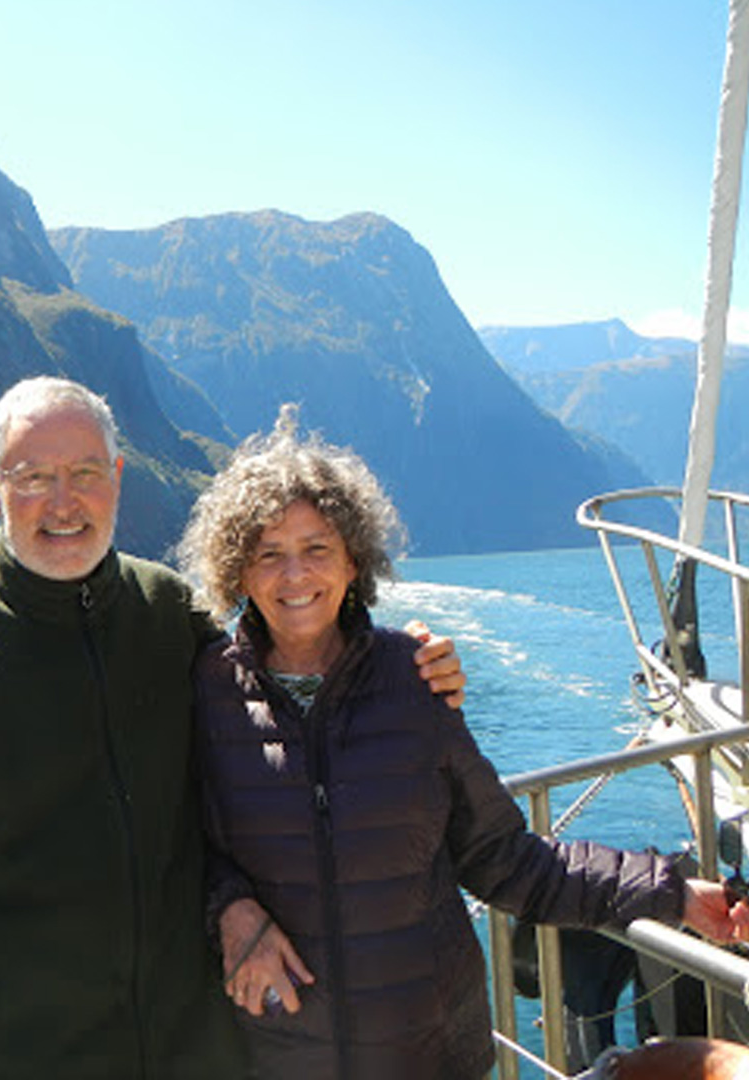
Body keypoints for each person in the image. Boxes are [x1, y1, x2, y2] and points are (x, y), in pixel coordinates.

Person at [0, 376, 466, 1079]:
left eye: (86, 473)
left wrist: (404, 664)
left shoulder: (170, 614)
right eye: (33, 477)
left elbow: (295, 656)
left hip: (196, 1056)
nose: (64, 503)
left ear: (118, 478)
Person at [177, 405, 749, 1080]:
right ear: (237, 573)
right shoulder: (206, 693)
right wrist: (230, 908)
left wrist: (671, 892)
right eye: (269, 554)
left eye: (317, 549)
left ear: (355, 560)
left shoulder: (415, 682)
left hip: (432, 1056)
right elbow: (181, 846)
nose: (294, 576)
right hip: (275, 1059)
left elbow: (505, 859)